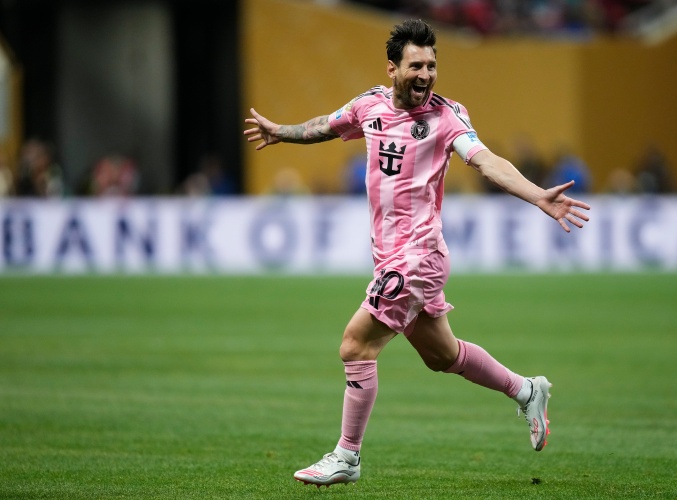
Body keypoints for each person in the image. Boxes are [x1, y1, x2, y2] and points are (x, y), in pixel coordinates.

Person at [243, 19, 590, 488]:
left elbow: (486, 161)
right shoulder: (369, 105)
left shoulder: (447, 118)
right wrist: (281, 132)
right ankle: (526, 390)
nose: (426, 74)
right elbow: (327, 125)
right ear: (392, 69)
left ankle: (347, 455)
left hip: (418, 257)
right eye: (416, 66)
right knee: (442, 355)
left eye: (431, 65)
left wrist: (536, 195)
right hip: (391, 258)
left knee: (355, 345)